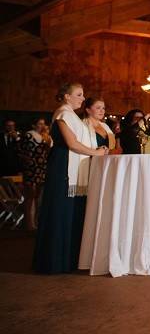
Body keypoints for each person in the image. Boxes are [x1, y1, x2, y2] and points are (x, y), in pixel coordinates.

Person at [33, 83, 107, 274]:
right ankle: (52, 261)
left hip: (72, 168)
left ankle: (68, 259)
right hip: (62, 166)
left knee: (71, 213)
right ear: (66, 96)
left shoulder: (73, 115)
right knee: (60, 211)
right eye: (79, 95)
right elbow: (72, 143)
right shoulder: (63, 114)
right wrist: (95, 153)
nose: (83, 99)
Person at [18, 118, 52, 230]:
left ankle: (37, 221)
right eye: (39, 123)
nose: (42, 125)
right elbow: (20, 151)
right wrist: (28, 161)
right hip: (31, 169)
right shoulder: (29, 135)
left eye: (43, 123)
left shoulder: (45, 136)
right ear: (33, 125)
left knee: (39, 197)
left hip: (42, 168)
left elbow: (48, 151)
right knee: (30, 197)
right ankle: (29, 223)